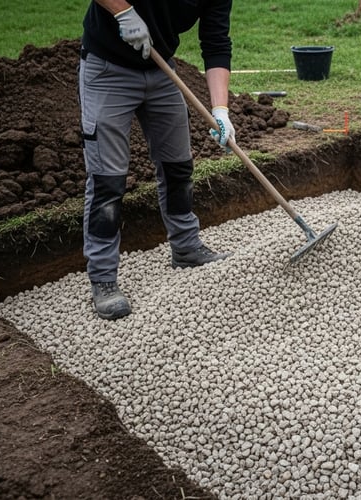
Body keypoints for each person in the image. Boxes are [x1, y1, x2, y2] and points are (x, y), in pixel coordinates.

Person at [79, 0, 235, 320]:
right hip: (108, 67)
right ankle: (104, 279)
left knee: (178, 166)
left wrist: (221, 110)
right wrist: (122, 11)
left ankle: (186, 248)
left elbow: (216, 41)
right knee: (108, 181)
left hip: (161, 68)